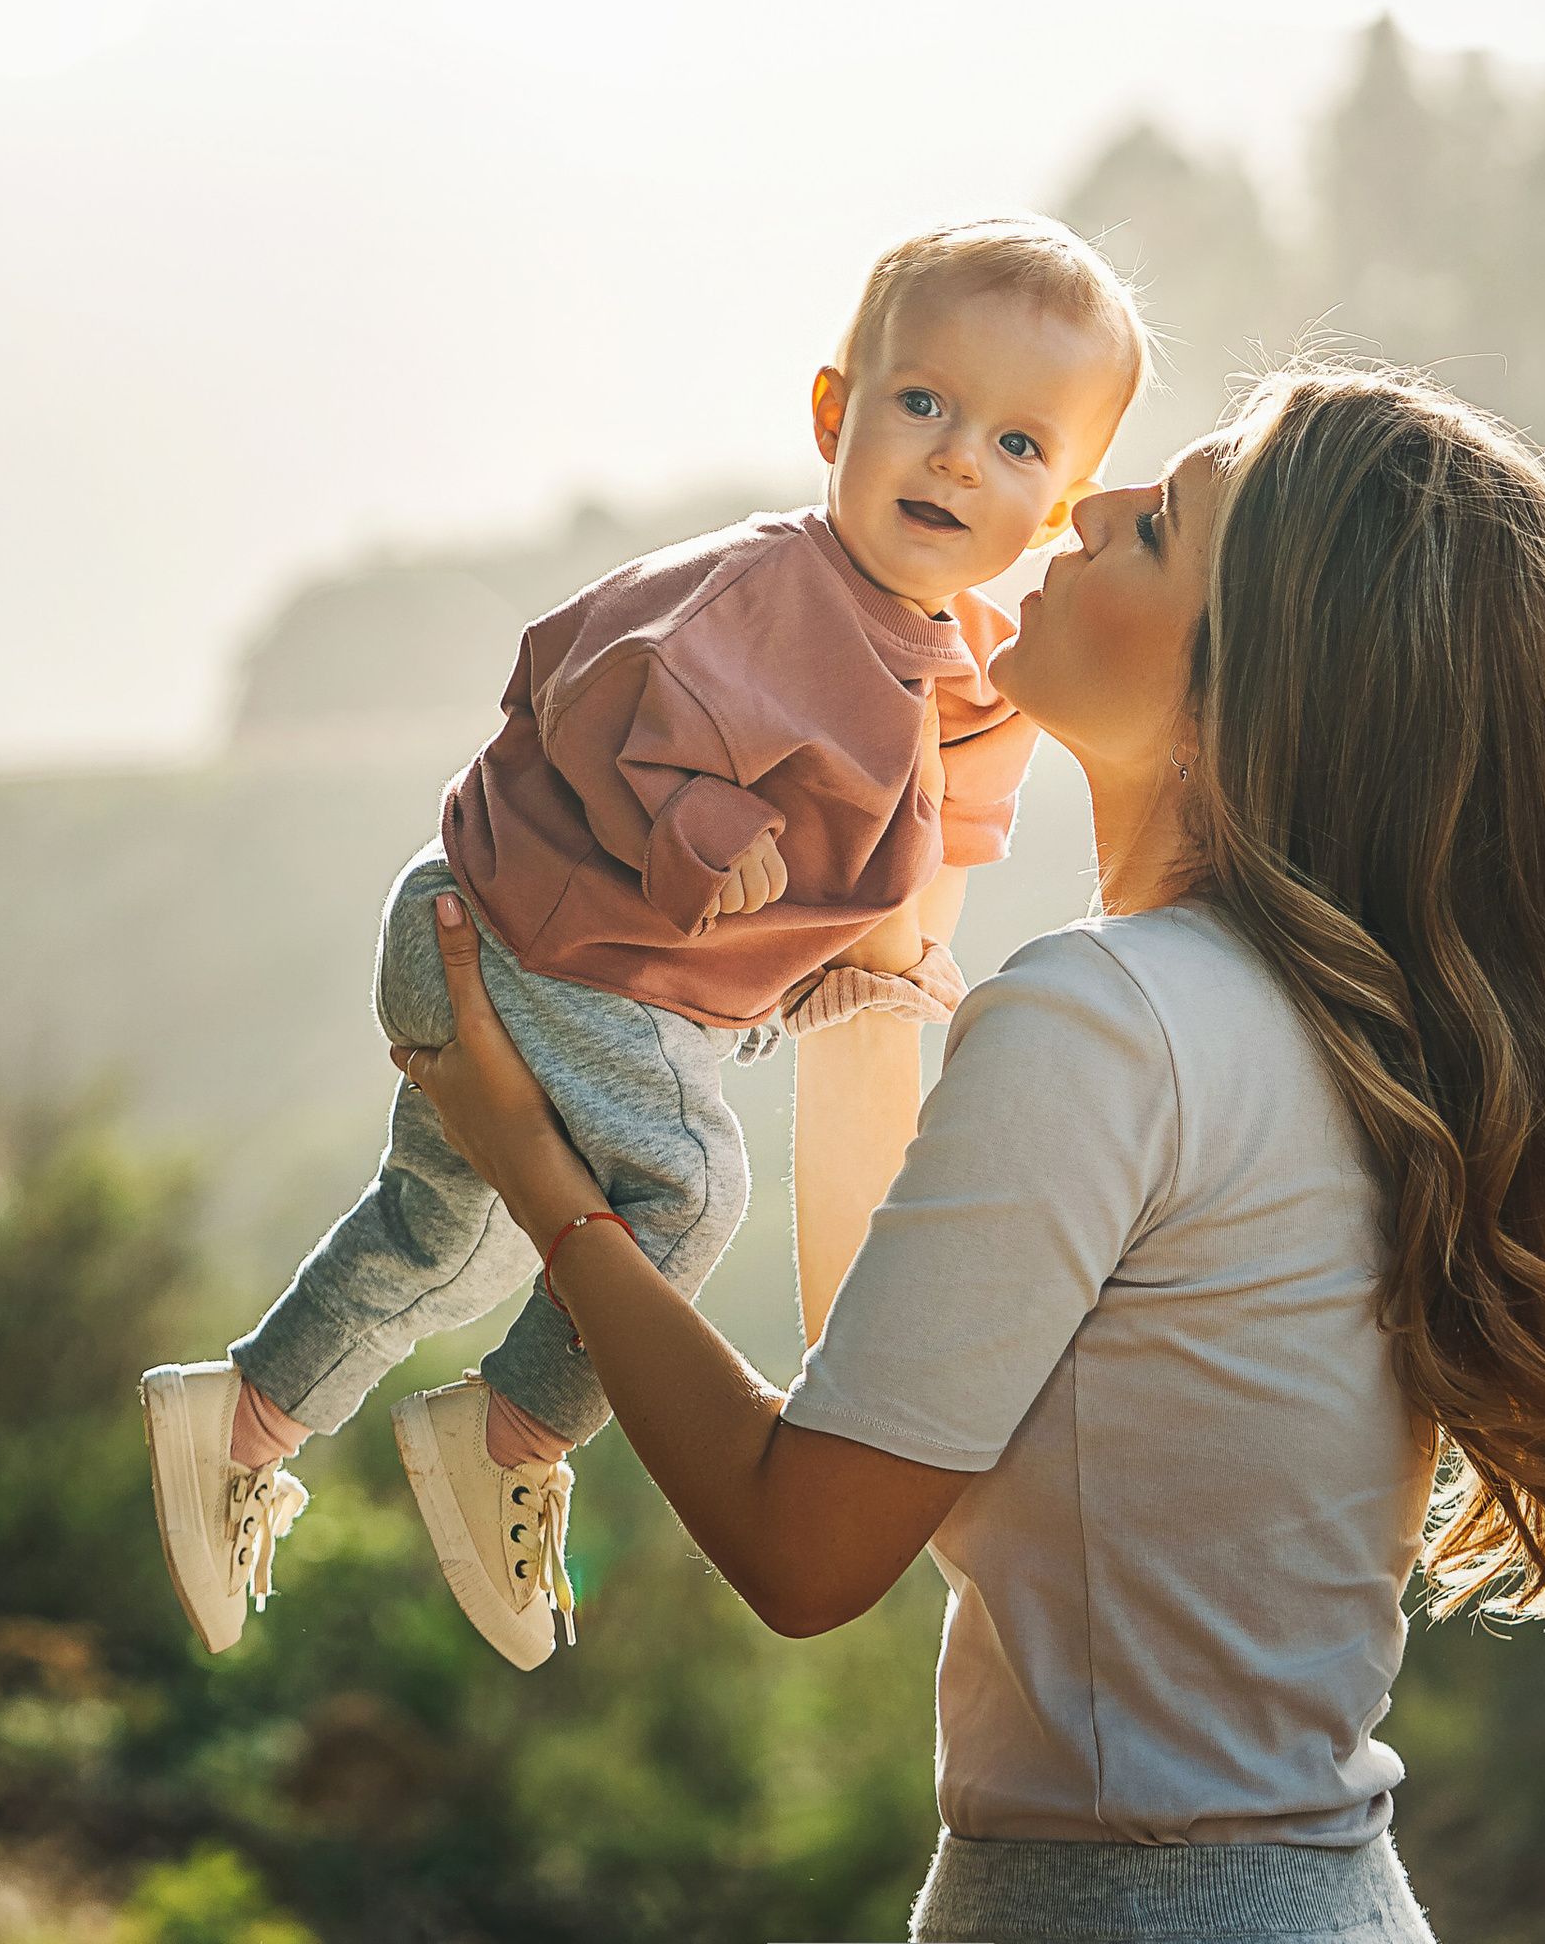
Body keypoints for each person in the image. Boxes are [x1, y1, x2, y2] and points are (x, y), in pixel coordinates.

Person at [388, 364, 1545, 1941]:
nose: (1087, 504)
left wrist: (536, 1170)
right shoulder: (1317, 1031)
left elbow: (803, 1545)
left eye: (1162, 522)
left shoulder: (1114, 1015)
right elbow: (896, 1398)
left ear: (1260, 684)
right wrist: (878, 963)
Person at [141, 214, 1147, 1668]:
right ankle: (508, 1440)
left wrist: (896, 953)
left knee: (447, 1243)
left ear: (1061, 503)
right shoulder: (763, 589)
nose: (954, 459)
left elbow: (948, 829)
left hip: (524, 960)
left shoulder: (962, 667)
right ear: (832, 414)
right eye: (921, 404)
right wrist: (693, 820)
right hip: (533, 945)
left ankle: (237, 1419)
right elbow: (588, 681)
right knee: (683, 1193)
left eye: (1016, 445)